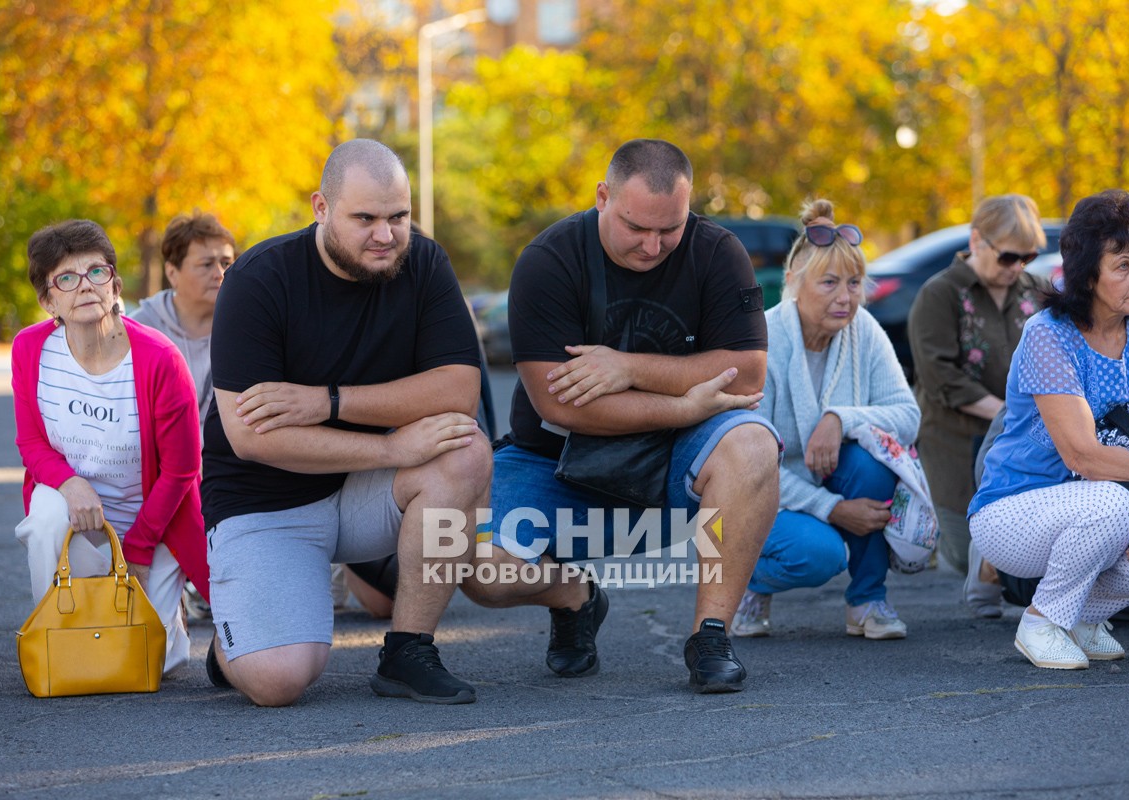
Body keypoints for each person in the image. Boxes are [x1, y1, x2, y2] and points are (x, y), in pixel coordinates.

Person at [462, 139, 782, 694]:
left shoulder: (717, 251)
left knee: (753, 443)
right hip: (554, 460)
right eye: (636, 227)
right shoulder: (549, 260)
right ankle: (576, 599)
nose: (653, 246)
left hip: (675, 461)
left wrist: (627, 367)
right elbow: (558, 404)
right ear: (603, 197)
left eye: (670, 228)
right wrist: (682, 403)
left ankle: (711, 634)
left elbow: (747, 373)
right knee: (475, 568)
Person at [201, 139, 490, 706]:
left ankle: (408, 651)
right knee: (277, 681)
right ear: (321, 208)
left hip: (365, 493)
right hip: (267, 503)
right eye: (365, 218)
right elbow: (251, 437)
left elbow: (460, 388)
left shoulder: (425, 263)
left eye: (398, 217)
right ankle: (234, 643)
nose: (385, 235)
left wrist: (327, 401)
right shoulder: (258, 280)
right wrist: (390, 449)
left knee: (465, 449)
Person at [969, 189, 1129, 670]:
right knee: (1115, 503)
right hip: (1013, 511)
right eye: (1123, 265)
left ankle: (1080, 616)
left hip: (1104, 506)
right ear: (1087, 271)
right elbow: (1083, 456)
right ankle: (1041, 621)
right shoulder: (1049, 333)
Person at [12, 219, 208, 674]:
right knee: (44, 518)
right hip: (73, 514)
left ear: (115, 284)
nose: (85, 286)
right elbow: (31, 442)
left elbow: (182, 470)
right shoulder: (30, 349)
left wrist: (138, 550)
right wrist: (70, 484)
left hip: (150, 519)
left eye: (96, 272)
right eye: (66, 278)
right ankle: (55, 638)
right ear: (48, 299)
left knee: (154, 663)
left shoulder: (160, 359)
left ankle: (169, 603)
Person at [732, 200, 920, 641]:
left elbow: (908, 416)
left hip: (830, 476)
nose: (845, 297)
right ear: (794, 283)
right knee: (820, 554)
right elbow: (749, 466)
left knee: (873, 463)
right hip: (762, 492)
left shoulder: (865, 330)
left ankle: (867, 601)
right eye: (830, 282)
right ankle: (747, 582)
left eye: (854, 283)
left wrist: (840, 418)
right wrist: (833, 510)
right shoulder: (763, 340)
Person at [907, 195, 1049, 618]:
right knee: (958, 553)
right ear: (976, 240)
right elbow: (940, 377)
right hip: (954, 439)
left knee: (1021, 541)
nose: (1016, 266)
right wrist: (1014, 413)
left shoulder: (1036, 291)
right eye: (1008, 255)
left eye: (1027, 256)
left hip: (1018, 440)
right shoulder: (939, 293)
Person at [130, 212, 236, 437]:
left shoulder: (247, 325)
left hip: (228, 465)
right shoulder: (140, 330)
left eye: (226, 262)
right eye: (206, 264)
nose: (220, 273)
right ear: (172, 272)